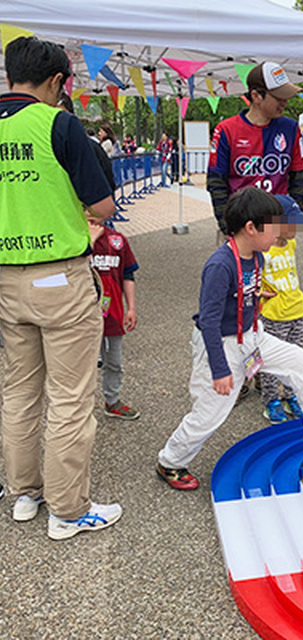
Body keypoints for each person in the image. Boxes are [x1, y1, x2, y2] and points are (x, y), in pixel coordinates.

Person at [156, 188, 303, 491]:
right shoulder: (219, 266)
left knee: (297, 358)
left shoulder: (257, 256)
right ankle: (170, 462)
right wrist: (220, 369)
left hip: (252, 334)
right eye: (274, 227)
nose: (280, 235)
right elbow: (209, 322)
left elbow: (242, 289)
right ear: (251, 228)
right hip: (221, 342)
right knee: (210, 415)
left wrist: (253, 295)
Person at [0, 36, 121, 539]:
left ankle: (23, 493)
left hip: (6, 280)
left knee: (18, 391)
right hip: (61, 278)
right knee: (70, 396)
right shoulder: (60, 124)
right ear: (56, 82)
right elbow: (103, 208)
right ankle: (68, 510)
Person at [207, 61, 303, 235]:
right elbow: (216, 183)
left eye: (286, 96)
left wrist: (291, 223)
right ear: (256, 96)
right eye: (278, 97)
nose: (285, 102)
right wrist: (228, 228)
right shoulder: (226, 130)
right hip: (242, 227)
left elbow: (298, 177)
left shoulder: (290, 128)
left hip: (278, 226)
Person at [259, 195, 303, 423]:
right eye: (293, 223)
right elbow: (249, 273)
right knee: (270, 359)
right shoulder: (265, 251)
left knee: (295, 358)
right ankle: (271, 401)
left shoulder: (292, 244)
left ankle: (290, 396)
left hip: (296, 310)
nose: (297, 228)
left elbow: (291, 273)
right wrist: (257, 293)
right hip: (274, 314)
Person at [88, 221, 140, 420]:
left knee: (114, 362)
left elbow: (128, 274)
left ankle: (112, 401)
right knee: (80, 365)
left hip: (112, 314)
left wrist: (131, 308)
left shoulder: (117, 240)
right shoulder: (74, 237)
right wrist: (90, 242)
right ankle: (77, 409)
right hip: (81, 316)